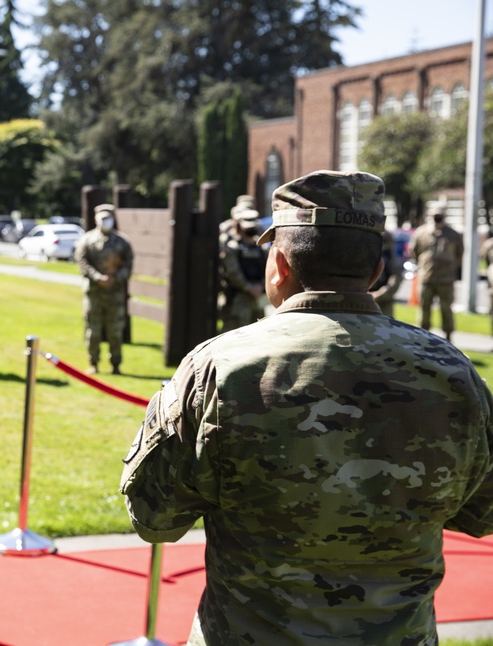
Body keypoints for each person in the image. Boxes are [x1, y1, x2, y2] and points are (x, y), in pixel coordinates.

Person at [120, 170, 493, 645]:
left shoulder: (219, 366)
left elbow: (153, 516)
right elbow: (484, 513)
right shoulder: (451, 373)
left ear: (279, 265)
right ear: (376, 272)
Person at [73, 203, 134, 374]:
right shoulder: (87, 240)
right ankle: (93, 362)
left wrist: (114, 278)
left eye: (108, 218)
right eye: (102, 218)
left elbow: (128, 265)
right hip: (94, 292)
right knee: (93, 330)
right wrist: (97, 277)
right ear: (96, 220)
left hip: (115, 293)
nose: (105, 221)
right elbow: (82, 262)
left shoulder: (122, 242)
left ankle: (116, 364)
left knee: (115, 329)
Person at [410, 207, 463, 342]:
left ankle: (448, 337)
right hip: (426, 278)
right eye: (435, 216)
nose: (437, 218)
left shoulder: (453, 234)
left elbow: (459, 254)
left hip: (446, 280)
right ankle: (422, 337)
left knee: (446, 309)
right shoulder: (421, 233)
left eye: (440, 216)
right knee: (424, 309)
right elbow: (414, 252)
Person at [218, 208, 266, 331]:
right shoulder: (233, 247)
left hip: (258, 299)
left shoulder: (261, 248)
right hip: (238, 300)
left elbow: (268, 269)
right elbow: (233, 273)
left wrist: (261, 286)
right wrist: (249, 288)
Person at [369, 229, 404, 317]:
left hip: (383, 303)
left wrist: (379, 295)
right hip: (364, 299)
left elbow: (395, 280)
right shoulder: (367, 254)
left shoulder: (391, 258)